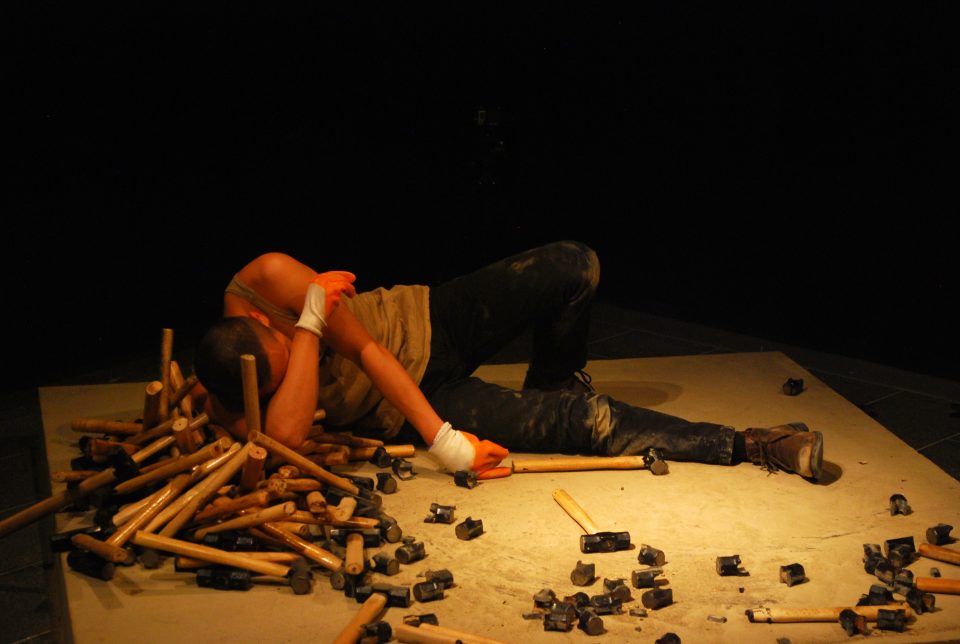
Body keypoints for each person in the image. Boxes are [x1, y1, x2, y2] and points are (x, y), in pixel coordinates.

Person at [193, 241, 824, 480]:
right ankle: (750, 445)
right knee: (591, 425)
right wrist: (306, 328)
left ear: (253, 320)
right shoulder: (237, 378)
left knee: (574, 265)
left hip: (425, 320)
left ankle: (553, 380)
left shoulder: (264, 279)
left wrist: (443, 444)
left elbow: (365, 348)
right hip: (409, 407)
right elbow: (285, 436)